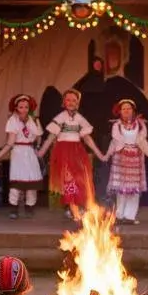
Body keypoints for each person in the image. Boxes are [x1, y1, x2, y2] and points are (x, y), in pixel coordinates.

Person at [38, 89, 106, 217]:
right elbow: (51, 137)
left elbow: (87, 138)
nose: (71, 102)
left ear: (78, 103)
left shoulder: (80, 119)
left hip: (77, 151)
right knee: (68, 179)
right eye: (68, 99)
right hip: (63, 151)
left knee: (80, 179)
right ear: (63, 102)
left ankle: (78, 205)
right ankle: (71, 207)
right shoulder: (60, 118)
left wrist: (99, 154)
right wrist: (41, 152)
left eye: (74, 100)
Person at [105, 99, 148, 226]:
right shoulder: (116, 125)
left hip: (135, 158)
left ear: (133, 110)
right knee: (121, 189)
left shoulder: (140, 125)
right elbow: (116, 140)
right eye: (123, 108)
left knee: (133, 189)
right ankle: (119, 215)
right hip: (121, 158)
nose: (126, 110)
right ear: (119, 111)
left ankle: (130, 216)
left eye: (129, 108)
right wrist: (121, 150)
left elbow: (142, 141)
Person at [0, 94, 43, 220]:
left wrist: (38, 147)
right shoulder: (12, 121)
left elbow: (38, 135)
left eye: (26, 107)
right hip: (18, 152)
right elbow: (10, 142)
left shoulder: (33, 120)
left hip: (30, 152)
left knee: (32, 182)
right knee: (17, 181)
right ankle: (14, 208)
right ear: (16, 108)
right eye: (21, 107)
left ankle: (30, 207)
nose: (24, 109)